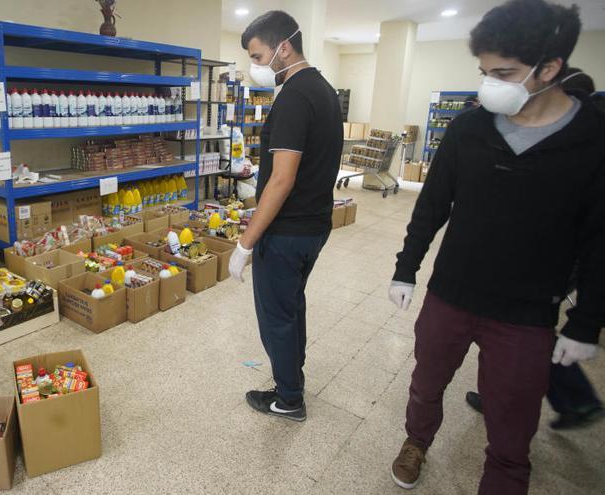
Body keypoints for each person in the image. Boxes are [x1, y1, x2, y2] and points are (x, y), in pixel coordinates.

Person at [386, 1, 604, 493]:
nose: (490, 86)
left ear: (550, 68)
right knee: (426, 384)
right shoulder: (469, 129)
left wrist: (587, 321)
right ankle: (416, 441)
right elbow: (432, 206)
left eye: (503, 73)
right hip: (450, 296)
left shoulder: (593, 140)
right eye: (484, 72)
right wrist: (406, 269)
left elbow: (599, 240)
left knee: (511, 415)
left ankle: (505, 474)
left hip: (526, 314)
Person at [464, 67, 604, 431]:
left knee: (525, 326)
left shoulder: (580, 142)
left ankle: (566, 397)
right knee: (525, 325)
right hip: (547, 255)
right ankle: (571, 397)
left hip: (554, 256)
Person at [229, 10, 343, 422]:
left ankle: (289, 399)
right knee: (293, 307)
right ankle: (291, 380)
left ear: (283, 48)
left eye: (258, 57)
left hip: (287, 231)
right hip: (314, 225)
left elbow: (281, 180)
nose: (255, 67)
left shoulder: (294, 96)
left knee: (277, 316)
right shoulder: (324, 90)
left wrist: (246, 243)